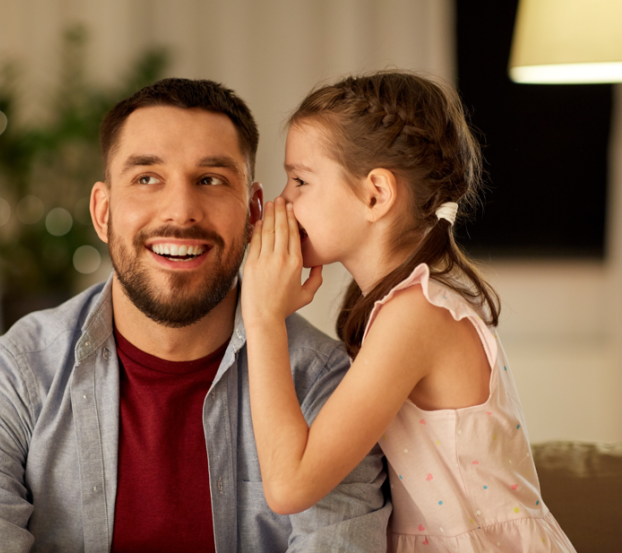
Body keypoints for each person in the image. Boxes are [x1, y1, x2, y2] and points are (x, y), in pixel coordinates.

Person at [0, 78, 390, 552]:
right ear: (103, 211)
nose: (181, 210)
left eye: (211, 180)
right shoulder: (10, 377)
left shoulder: (326, 385)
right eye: (147, 178)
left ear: (254, 212)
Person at [242, 72, 576, 552]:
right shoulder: (402, 305)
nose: (282, 201)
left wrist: (263, 318)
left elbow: (290, 485)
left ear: (376, 194)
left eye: (300, 180)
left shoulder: (414, 315)